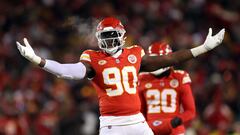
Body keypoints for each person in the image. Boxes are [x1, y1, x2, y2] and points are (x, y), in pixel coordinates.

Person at [16, 17, 224, 135]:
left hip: (137, 121)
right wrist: (38, 60)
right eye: (105, 36)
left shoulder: (134, 53)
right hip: (111, 124)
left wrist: (203, 48)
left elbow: (170, 59)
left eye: (112, 35)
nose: (109, 41)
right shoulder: (92, 58)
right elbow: (66, 71)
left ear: (121, 36)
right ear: (98, 38)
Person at [138, 41, 196, 135]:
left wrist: (176, 121)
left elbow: (190, 111)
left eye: (159, 59)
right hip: (150, 129)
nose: (156, 63)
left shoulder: (179, 77)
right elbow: (141, 111)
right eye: (153, 59)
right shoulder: (142, 78)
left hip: (174, 129)